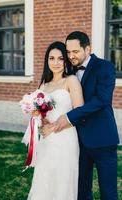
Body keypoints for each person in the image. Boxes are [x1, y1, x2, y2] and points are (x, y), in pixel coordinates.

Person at [45, 31, 119, 200]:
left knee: (108, 192)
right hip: (77, 141)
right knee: (81, 191)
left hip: (103, 140)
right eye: (68, 52)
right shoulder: (69, 69)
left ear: (87, 49)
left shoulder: (104, 66)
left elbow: (102, 100)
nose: (71, 56)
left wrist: (69, 117)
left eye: (75, 51)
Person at [27, 41, 84, 200]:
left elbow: (80, 112)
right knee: (45, 178)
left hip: (65, 139)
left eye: (60, 58)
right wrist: (37, 117)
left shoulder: (71, 80)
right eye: (52, 58)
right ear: (47, 61)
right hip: (46, 140)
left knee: (62, 181)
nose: (56, 63)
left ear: (65, 60)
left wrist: (53, 127)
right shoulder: (44, 85)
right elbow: (42, 115)